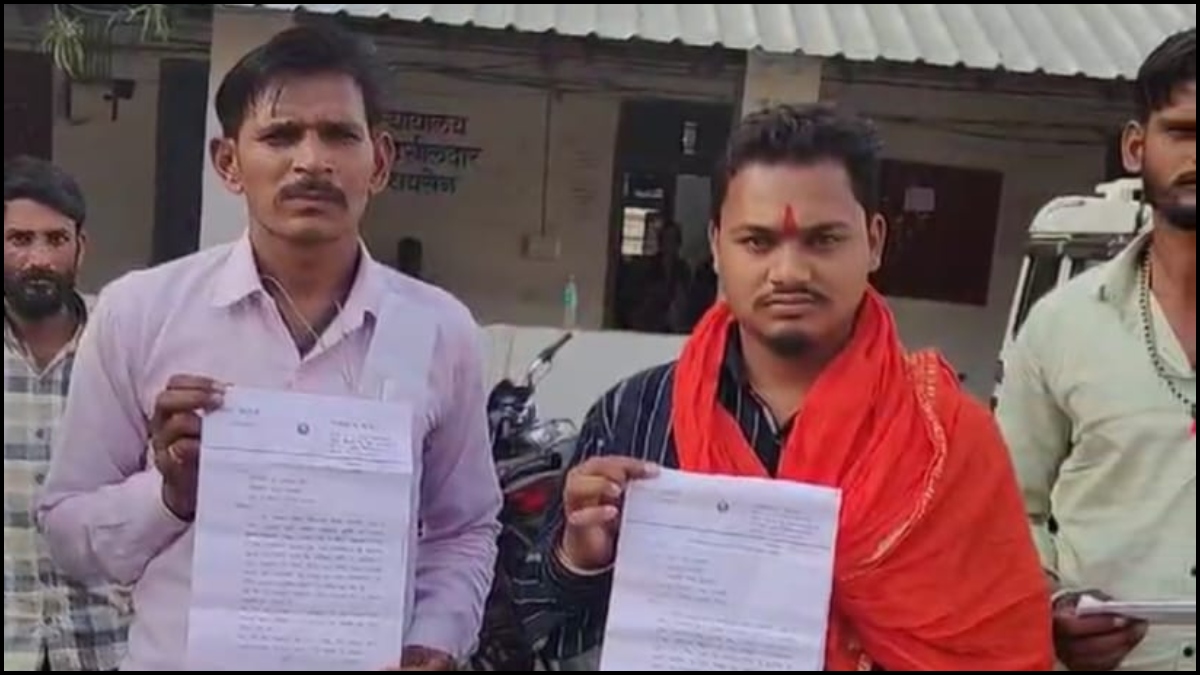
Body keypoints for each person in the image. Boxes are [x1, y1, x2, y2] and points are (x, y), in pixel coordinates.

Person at [513, 104, 1054, 670]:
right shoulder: (635, 413)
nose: (790, 272)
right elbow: (544, 628)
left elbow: (1000, 645)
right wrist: (580, 558)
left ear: (873, 241)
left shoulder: (948, 439)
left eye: (823, 240)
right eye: (757, 241)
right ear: (716, 245)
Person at [36, 25, 501, 671]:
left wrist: (435, 639)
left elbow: (463, 529)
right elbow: (67, 536)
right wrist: (170, 495)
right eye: (281, 136)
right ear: (228, 162)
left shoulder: (439, 330)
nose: (311, 161)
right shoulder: (140, 312)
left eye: (338, 134)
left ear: (381, 160)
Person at [995, 28, 1196, 672]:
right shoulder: (1062, 326)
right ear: (1136, 147)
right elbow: (1007, 509)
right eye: (1184, 131)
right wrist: (1052, 603)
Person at [4, 157, 130, 672]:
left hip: (106, 642)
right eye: (19, 239)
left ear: (81, 247)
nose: (39, 258)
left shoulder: (123, 339)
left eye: (56, 240)